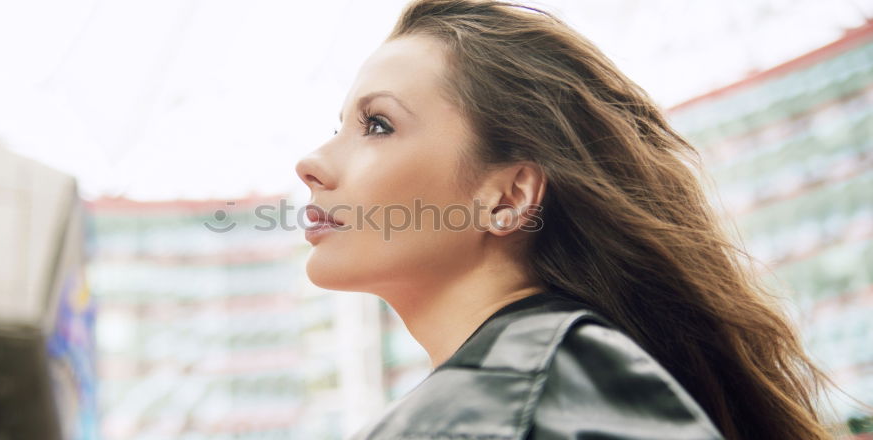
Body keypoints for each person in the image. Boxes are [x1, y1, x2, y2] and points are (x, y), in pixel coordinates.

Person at [294, 1, 838, 439]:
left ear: (507, 198)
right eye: (341, 125)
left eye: (378, 125)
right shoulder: (550, 388)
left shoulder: (519, 405)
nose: (311, 163)